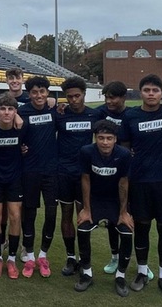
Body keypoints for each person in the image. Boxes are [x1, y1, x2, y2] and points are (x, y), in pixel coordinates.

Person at [120, 74, 162, 298]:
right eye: (147, 90)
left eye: (155, 90)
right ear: (140, 92)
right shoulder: (130, 115)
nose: (151, 94)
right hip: (139, 181)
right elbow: (125, 148)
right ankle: (141, 272)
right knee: (142, 227)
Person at [74, 120, 134, 297]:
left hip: (115, 200)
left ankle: (120, 276)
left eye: (109, 138)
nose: (105, 142)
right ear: (95, 138)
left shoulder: (123, 154)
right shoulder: (86, 152)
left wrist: (123, 212)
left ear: (115, 139)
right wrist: (86, 208)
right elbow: (85, 179)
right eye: (101, 138)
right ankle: (86, 273)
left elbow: (124, 183)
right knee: (83, 229)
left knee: (126, 231)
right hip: (95, 199)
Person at [55, 77, 104, 276]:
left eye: (77, 95)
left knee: (83, 217)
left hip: (85, 175)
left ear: (84, 94)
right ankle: (70, 257)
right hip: (64, 173)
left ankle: (85, 261)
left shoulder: (95, 114)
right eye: (70, 96)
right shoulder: (60, 114)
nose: (74, 100)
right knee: (66, 215)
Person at [0, 92, 27, 279]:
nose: (7, 112)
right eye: (3, 109)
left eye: (10, 109)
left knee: (16, 217)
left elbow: (28, 145)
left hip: (15, 177)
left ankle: (12, 260)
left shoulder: (22, 128)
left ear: (15, 111)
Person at [18, 76, 59, 278]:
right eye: (34, 92)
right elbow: (14, 136)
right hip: (30, 170)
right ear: (29, 94)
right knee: (30, 214)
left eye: (42, 91)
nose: (39, 95)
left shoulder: (54, 110)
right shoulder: (22, 111)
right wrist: (20, 146)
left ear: (48, 93)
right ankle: (31, 256)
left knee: (51, 213)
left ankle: (43, 254)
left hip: (51, 171)